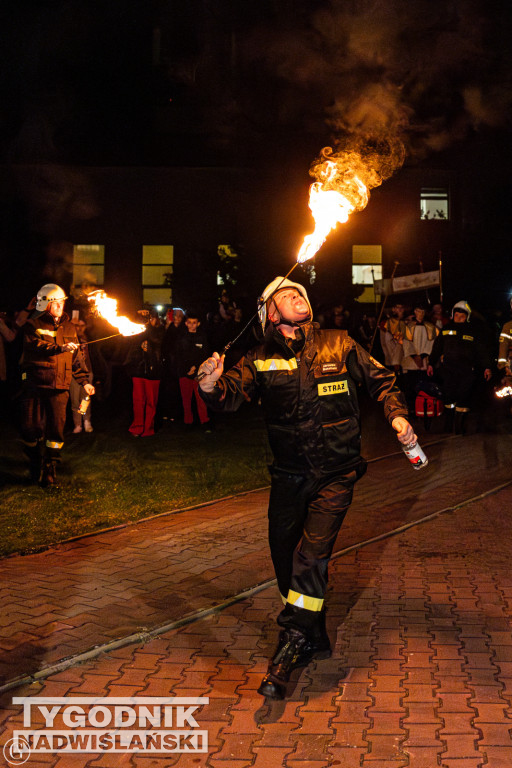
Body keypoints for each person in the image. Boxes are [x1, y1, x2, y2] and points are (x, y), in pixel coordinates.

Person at [198, 276, 414, 700]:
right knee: (284, 558)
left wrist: (397, 417)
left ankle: (291, 643)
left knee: (309, 557)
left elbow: (382, 381)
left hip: (337, 472)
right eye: (286, 295)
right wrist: (208, 384)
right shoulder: (258, 357)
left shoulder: (338, 343)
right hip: (289, 475)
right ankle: (313, 631)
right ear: (271, 313)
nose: (297, 296)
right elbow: (229, 397)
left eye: (300, 292)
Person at [19, 283, 95, 486]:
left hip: (60, 385)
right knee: (29, 428)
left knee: (56, 431)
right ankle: (35, 459)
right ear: (45, 304)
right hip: (35, 383)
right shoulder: (32, 325)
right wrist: (59, 348)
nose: (61, 306)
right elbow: (35, 345)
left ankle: (50, 467)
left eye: (62, 302)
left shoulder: (70, 327)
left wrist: (84, 381)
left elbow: (77, 358)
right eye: (56, 302)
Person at [427, 300, 492, 434]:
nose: (459, 318)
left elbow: (482, 351)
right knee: (449, 396)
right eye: (457, 315)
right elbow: (437, 347)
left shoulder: (473, 332)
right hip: (449, 370)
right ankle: (448, 424)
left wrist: (487, 367)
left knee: (464, 396)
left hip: (467, 371)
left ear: (467, 317)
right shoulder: (446, 329)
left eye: (462, 316)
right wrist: (431, 363)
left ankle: (460, 427)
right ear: (453, 315)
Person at [127, 309, 165, 437]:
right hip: (138, 369)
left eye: (150, 317)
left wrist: (147, 327)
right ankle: (137, 427)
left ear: (156, 318)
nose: (148, 320)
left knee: (151, 402)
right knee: (138, 401)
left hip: (154, 370)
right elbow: (132, 344)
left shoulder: (160, 331)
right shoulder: (136, 331)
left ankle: (148, 428)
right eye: (144, 316)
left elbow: (157, 341)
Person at [402, 303, 438, 416]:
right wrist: (414, 356)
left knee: (424, 386)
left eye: (422, 311)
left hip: (424, 361)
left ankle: (425, 409)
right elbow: (407, 343)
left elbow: (431, 343)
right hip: (412, 362)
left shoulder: (430, 327)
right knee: (411, 386)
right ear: (414, 312)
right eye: (418, 310)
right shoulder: (409, 326)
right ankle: (411, 409)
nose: (420, 313)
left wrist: (422, 356)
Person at [177, 311, 211, 428]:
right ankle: (188, 421)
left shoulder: (202, 337)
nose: (192, 325)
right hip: (184, 373)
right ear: (186, 323)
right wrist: (187, 369)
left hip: (199, 374)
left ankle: (204, 421)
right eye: (190, 323)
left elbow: (204, 355)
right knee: (186, 399)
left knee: (200, 398)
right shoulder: (181, 338)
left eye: (194, 323)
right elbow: (178, 355)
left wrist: (195, 367)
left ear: (198, 323)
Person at [69, 315, 95, 433]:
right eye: (76, 326)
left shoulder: (90, 338)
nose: (79, 328)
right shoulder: (70, 338)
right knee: (75, 399)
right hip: (74, 374)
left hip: (88, 372)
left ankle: (86, 421)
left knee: (85, 398)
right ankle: (77, 424)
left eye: (82, 326)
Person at [379, 301, 407, 377]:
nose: (400, 309)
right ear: (393, 309)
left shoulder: (407, 322)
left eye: (402, 307)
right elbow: (385, 343)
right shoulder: (386, 323)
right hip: (392, 356)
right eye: (398, 307)